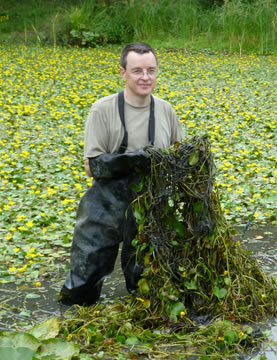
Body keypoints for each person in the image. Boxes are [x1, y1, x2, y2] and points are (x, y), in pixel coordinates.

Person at [59, 42, 185, 306]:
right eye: (137, 70)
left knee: (148, 287)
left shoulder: (166, 111)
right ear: (122, 72)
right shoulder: (103, 110)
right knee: (82, 284)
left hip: (150, 206)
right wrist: (132, 160)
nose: (145, 77)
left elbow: (179, 158)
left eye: (151, 70)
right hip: (105, 205)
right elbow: (93, 166)